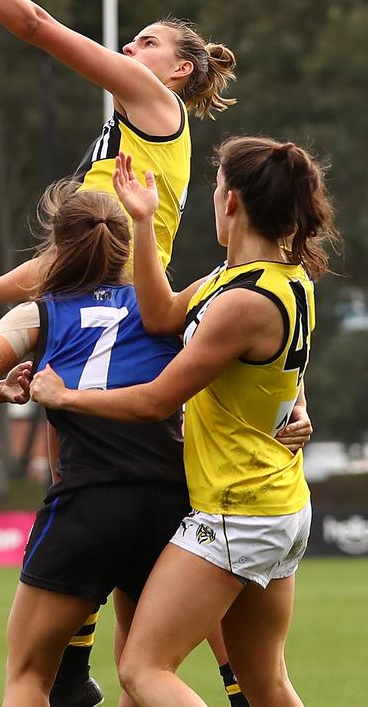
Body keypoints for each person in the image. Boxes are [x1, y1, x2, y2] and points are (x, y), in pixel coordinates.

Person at [0, 0, 237, 707]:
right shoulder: (119, 140)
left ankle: (141, 676)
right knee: (133, 601)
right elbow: (74, 251)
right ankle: (103, 673)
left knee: (79, 496)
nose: (131, 48)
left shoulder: (150, 102)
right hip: (100, 307)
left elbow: (37, 27)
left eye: (146, 42)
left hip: (112, 313)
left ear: (178, 71)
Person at [0, 183, 311, 707]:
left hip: (86, 508)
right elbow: (267, 353)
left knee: (28, 676)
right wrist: (296, 407)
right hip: (170, 508)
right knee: (141, 674)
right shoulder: (175, 307)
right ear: (127, 249)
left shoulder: (39, 315)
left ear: (55, 250)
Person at [29, 141, 338, 707]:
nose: (213, 197)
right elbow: (163, 315)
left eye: (217, 187)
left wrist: (64, 396)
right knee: (265, 682)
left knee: (143, 669)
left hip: (237, 507)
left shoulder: (243, 301)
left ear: (233, 202)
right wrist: (143, 223)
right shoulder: (263, 277)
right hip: (278, 501)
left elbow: (153, 401)